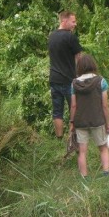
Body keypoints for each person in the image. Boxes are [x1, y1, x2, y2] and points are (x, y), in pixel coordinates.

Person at [69, 54, 109, 179]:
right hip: (98, 120)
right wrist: (107, 123)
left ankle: (84, 178)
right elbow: (104, 105)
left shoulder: (74, 84)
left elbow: (73, 106)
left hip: (80, 122)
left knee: (82, 151)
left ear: (79, 67)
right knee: (103, 148)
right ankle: (106, 174)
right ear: (93, 65)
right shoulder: (101, 81)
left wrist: (72, 123)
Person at [48, 10, 83, 138]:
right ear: (64, 21)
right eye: (73, 22)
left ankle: (59, 138)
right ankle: (72, 136)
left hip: (54, 79)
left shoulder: (51, 36)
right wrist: (80, 76)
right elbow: (79, 58)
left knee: (57, 111)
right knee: (75, 108)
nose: (75, 24)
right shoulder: (70, 37)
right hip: (69, 80)